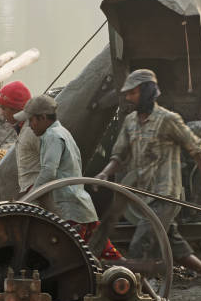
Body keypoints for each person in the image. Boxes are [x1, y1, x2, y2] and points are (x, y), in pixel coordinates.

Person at [95, 69, 201, 301]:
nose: (129, 98)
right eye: (127, 94)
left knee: (141, 245)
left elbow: (196, 149)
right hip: (143, 197)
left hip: (166, 194)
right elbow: (119, 155)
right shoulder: (129, 122)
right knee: (174, 244)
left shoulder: (168, 120)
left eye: (133, 93)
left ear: (147, 92)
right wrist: (105, 173)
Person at [14, 94, 122, 260]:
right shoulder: (63, 132)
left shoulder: (51, 136)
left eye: (32, 120)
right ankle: (139, 280)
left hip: (69, 211)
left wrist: (30, 198)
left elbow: (48, 171)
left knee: (68, 261)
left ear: (43, 118)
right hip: (82, 208)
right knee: (109, 257)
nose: (30, 125)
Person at [0, 81, 40, 195]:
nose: (1, 113)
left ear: (16, 109)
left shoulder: (32, 132)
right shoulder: (26, 127)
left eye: (3, 108)